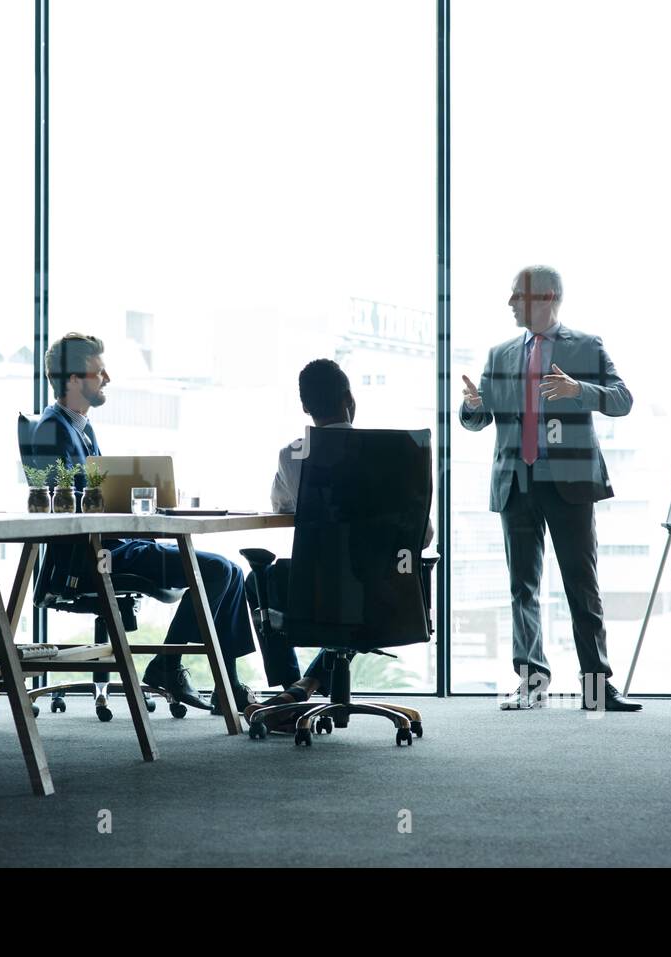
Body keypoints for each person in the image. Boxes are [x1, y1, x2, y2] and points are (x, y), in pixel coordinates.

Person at [18, 332, 259, 711]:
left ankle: (219, 682)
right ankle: (174, 667)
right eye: (99, 372)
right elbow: (65, 506)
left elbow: (95, 492)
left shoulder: (81, 428)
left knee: (229, 570)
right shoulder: (52, 429)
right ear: (74, 380)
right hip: (94, 556)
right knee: (217, 571)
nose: (107, 379)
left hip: (116, 545)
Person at [459, 265, 641, 712]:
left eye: (516, 297)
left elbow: (623, 400)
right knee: (523, 587)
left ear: (546, 298)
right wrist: (472, 407)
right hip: (516, 483)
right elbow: (478, 420)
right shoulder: (500, 354)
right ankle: (531, 683)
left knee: (582, 585)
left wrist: (579, 389)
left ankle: (598, 690)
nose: (509, 304)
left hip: (569, 484)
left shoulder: (586, 346)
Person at [249, 359, 434, 721]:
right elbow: (423, 537)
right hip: (389, 593)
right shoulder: (396, 453)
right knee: (361, 597)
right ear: (350, 399)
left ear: (305, 407)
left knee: (256, 582)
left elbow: (282, 506)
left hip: (314, 589)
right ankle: (302, 688)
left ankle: (292, 691)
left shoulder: (293, 454)